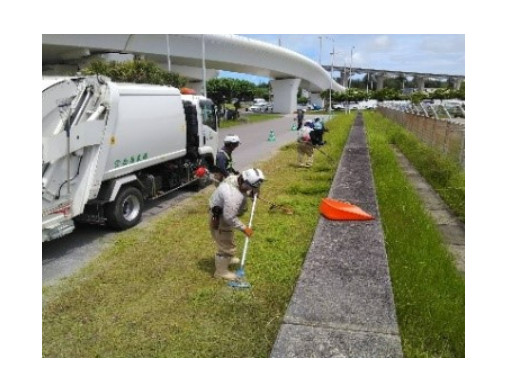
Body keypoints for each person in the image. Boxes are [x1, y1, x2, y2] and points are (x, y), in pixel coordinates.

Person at [209, 168, 266, 280]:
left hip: (222, 211)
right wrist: (244, 228)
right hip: (220, 218)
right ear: (245, 183)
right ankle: (221, 272)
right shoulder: (233, 196)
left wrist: (252, 192)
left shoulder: (234, 178)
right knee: (226, 246)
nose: (254, 189)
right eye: (253, 187)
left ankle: (227, 259)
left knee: (228, 237)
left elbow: (244, 190)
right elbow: (229, 217)